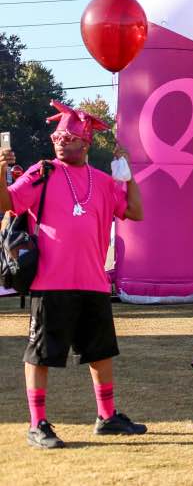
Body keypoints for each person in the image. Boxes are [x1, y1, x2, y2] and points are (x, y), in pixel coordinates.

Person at [0, 101, 146, 449]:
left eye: (68, 137)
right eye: (57, 136)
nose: (60, 142)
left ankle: (107, 417)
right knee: (39, 354)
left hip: (94, 283)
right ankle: (37, 424)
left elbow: (136, 211)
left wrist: (128, 173)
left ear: (86, 143)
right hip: (51, 284)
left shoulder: (104, 181)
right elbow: (6, 204)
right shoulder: (42, 171)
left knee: (100, 353)